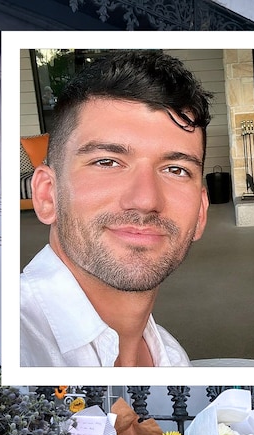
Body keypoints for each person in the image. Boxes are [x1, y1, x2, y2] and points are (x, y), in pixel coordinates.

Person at [20, 50, 212, 366]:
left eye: (175, 169)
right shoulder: (13, 342)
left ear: (201, 212)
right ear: (47, 195)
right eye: (107, 162)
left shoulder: (172, 357)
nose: (145, 200)